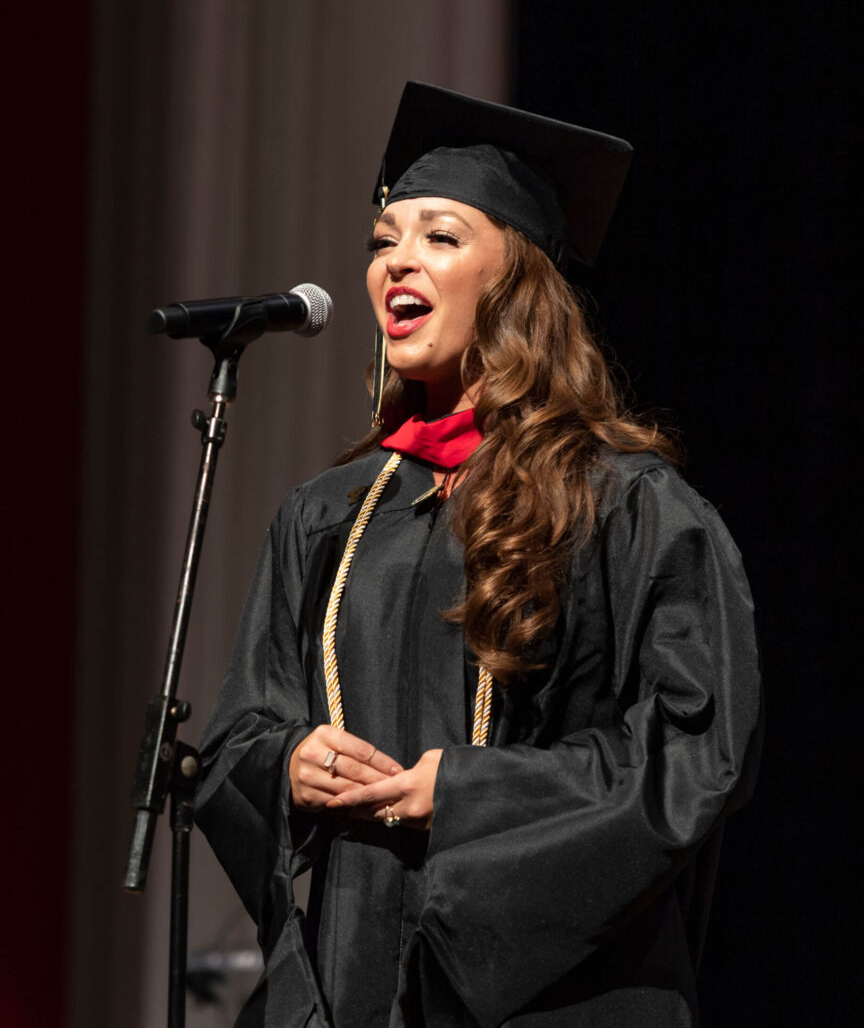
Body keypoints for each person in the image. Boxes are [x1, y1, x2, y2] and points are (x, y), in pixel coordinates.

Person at [196, 82, 762, 1028]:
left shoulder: (625, 504)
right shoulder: (328, 513)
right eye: (385, 241)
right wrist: (288, 764)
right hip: (356, 975)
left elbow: (697, 754)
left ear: (516, 284)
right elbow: (238, 735)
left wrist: (462, 793)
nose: (396, 263)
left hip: (553, 989)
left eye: (440, 237)